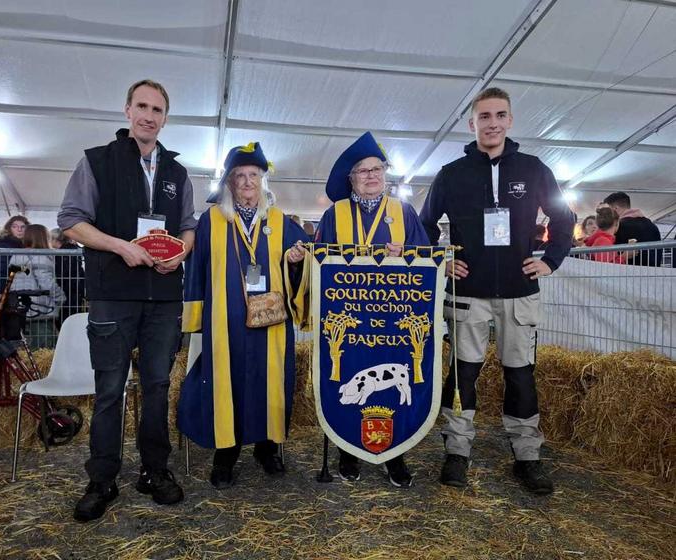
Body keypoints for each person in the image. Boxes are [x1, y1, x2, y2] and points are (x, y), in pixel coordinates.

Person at [420, 87, 574, 495]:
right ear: (471, 123)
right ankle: (457, 451)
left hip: (519, 291)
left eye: (499, 115)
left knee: (520, 374)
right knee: (463, 373)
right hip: (467, 292)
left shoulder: (534, 168)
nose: (492, 123)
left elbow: (564, 218)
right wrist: (442, 260)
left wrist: (550, 259)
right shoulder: (451, 174)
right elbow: (423, 225)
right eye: (484, 116)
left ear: (510, 120)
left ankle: (527, 455)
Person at [58, 79, 196, 522]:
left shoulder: (177, 173)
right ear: (126, 111)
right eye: (142, 106)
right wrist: (121, 247)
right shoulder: (97, 161)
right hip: (113, 296)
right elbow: (71, 222)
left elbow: (189, 226)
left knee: (156, 388)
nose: (148, 115)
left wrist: (179, 254)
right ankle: (102, 479)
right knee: (109, 391)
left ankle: (155, 471)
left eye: (157, 109)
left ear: (165, 118)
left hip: (162, 300)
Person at [177, 142, 308, 489]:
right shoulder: (212, 220)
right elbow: (196, 270)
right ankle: (226, 454)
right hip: (225, 320)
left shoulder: (281, 221)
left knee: (271, 382)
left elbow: (305, 266)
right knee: (226, 383)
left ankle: (267, 449)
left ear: (263, 181)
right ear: (230, 183)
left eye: (253, 176)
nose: (247, 183)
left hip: (272, 322)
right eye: (240, 177)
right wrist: (195, 319)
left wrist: (296, 262)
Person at [316, 131, 429, 488]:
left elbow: (426, 258)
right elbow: (320, 261)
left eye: (377, 168)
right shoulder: (335, 214)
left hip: (394, 315)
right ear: (351, 178)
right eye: (362, 171)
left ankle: (395, 453)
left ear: (385, 173)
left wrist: (407, 255)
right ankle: (348, 449)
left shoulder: (404, 212)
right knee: (351, 375)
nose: (371, 176)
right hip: (349, 316)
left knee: (392, 388)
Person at [8, 224, 65, 349]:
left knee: (30, 346)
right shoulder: (42, 257)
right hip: (41, 308)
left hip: (22, 306)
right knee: (45, 348)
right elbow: (47, 283)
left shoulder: (16, 256)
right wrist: (61, 298)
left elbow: (12, 281)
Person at [602, 191, 662, 266]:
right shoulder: (653, 226)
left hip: (627, 274)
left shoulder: (617, 227)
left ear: (615, 209)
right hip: (655, 273)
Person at [49, 228, 86, 326]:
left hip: (68, 291)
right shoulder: (74, 249)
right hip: (76, 290)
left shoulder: (62, 253)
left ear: (54, 239)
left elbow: (63, 274)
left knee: (66, 320)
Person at [0, 215, 29, 294]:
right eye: (15, 227)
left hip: (17, 284)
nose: (19, 230)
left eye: (23, 227)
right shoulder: (4, 245)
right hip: (6, 285)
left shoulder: (24, 245)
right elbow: (2, 269)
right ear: (9, 228)